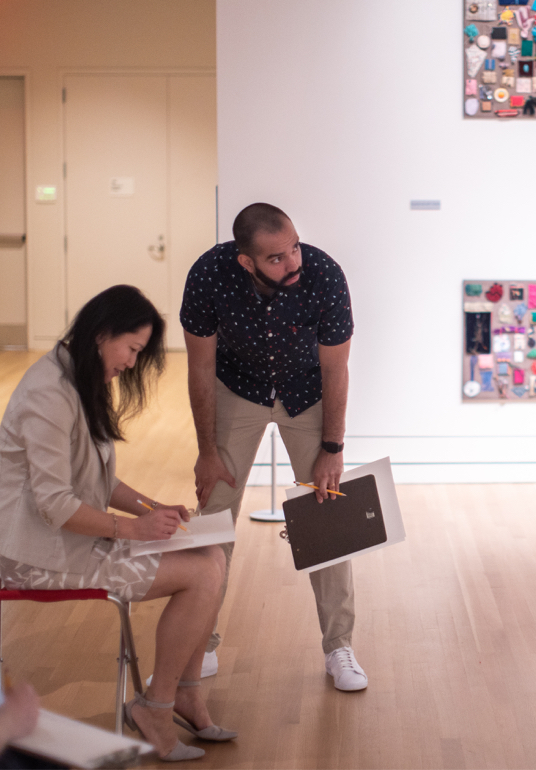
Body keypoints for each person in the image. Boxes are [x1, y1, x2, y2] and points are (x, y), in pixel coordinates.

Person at [0, 286, 235, 762]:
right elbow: (56, 506)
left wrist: (152, 509)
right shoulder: (48, 395)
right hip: (31, 553)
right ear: (102, 335)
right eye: (131, 349)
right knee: (201, 572)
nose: (131, 363)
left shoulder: (77, 380)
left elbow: (97, 479)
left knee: (211, 554)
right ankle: (157, 706)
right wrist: (133, 530)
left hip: (68, 538)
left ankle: (183, 694)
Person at [180, 203, 366, 691]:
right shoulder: (209, 275)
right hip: (236, 389)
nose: (292, 263)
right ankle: (201, 647)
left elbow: (335, 368)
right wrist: (206, 450)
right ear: (247, 261)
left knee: (326, 513)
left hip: (306, 392)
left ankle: (340, 648)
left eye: (295, 248)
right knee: (214, 512)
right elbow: (199, 367)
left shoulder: (323, 274)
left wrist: (333, 446)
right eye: (277, 258)